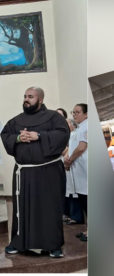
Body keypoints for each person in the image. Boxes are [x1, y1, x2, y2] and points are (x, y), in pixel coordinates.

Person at [1, 87, 70, 258]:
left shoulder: (54, 117)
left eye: (30, 97)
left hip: (49, 172)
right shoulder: (16, 121)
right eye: (25, 96)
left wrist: (39, 135)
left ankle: (53, 245)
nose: (26, 99)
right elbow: (5, 135)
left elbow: (62, 134)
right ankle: (19, 242)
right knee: (22, 208)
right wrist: (18, 138)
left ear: (40, 100)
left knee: (49, 209)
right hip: (24, 173)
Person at [64, 104, 88, 242]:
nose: (74, 115)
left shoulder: (86, 126)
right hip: (79, 170)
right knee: (84, 201)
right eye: (73, 112)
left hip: (85, 170)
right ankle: (88, 229)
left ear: (86, 114)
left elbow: (81, 147)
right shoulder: (81, 127)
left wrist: (69, 160)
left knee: (88, 202)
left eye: (77, 112)